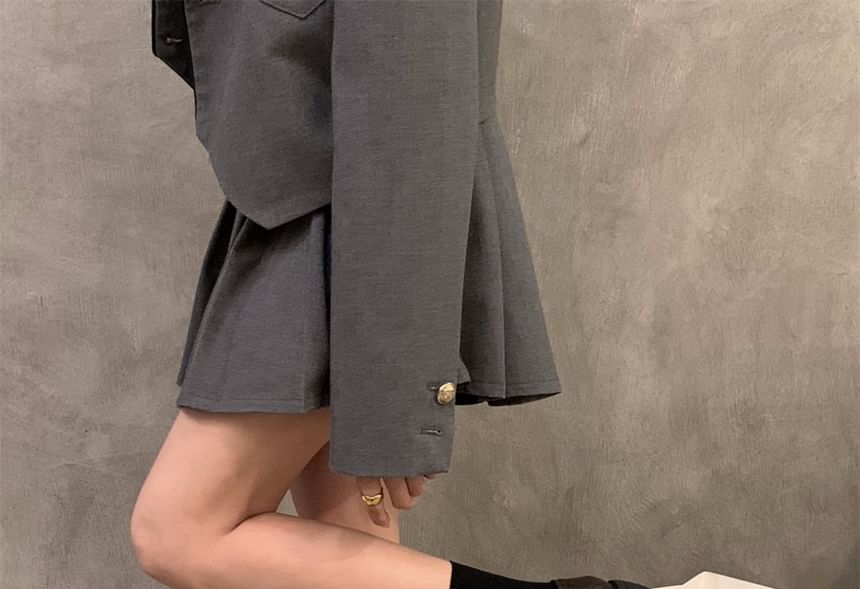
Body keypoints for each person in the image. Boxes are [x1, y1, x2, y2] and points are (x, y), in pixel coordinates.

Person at [134, 1, 650, 588]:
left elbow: (413, 104)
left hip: (360, 230)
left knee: (177, 533)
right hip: (309, 210)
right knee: (346, 542)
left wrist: (395, 392)